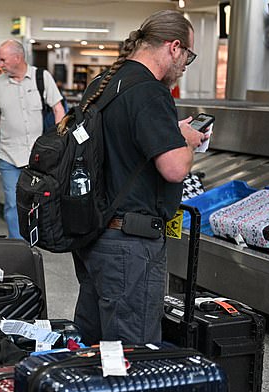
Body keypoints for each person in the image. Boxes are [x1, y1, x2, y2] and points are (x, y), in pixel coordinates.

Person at [71, 10, 208, 345]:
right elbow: (174, 168)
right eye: (187, 56)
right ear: (174, 47)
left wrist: (168, 135)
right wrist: (187, 141)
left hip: (94, 234)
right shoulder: (150, 91)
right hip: (129, 246)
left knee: (93, 343)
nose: (185, 65)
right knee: (133, 350)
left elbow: (121, 145)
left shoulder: (104, 84)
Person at [0, 40, 65, 239]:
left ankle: (37, 240)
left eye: (3, 59)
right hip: (9, 156)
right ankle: (18, 247)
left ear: (17, 58)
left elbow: (58, 108)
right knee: (12, 203)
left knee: (38, 203)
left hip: (38, 158)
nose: (0, 63)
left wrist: (60, 142)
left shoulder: (42, 77)